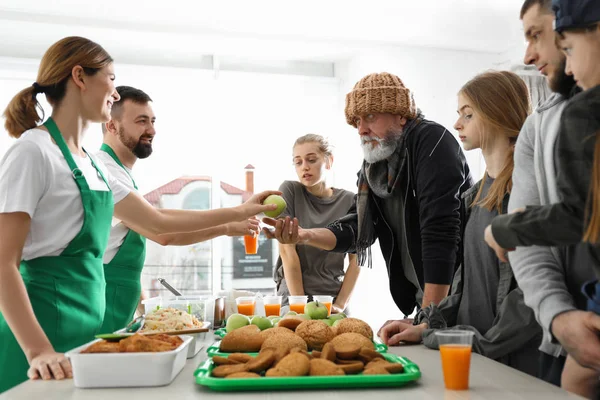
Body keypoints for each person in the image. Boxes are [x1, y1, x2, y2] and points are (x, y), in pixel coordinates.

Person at [0, 36, 278, 392]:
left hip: (86, 333)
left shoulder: (89, 164)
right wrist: (37, 350)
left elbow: (157, 223)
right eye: (111, 78)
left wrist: (239, 214)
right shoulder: (32, 152)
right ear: (79, 77)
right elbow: (5, 261)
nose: (114, 93)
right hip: (40, 334)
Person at [264, 72, 473, 320]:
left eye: (370, 117)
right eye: (357, 121)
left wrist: (430, 317)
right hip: (427, 299)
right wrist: (304, 235)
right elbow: (359, 229)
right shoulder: (374, 165)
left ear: (401, 114)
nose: (362, 129)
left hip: (459, 295)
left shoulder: (432, 141)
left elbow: (441, 230)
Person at [378, 71, 542, 376]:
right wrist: (424, 323)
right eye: (458, 114)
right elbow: (464, 289)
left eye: (468, 114)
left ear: (497, 113)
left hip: (515, 366)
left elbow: (529, 301)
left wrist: (444, 337)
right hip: (476, 358)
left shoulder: (528, 192)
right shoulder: (474, 195)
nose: (456, 124)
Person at [484, 0, 600, 396]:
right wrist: (559, 318)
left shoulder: (583, 113)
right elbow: (536, 236)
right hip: (567, 337)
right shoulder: (539, 126)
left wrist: (504, 229)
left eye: (539, 35)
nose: (528, 54)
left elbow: (574, 214)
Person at [97, 85, 260, 333]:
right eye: (141, 121)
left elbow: (161, 236)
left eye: (152, 121)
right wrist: (238, 213)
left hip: (118, 308)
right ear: (111, 126)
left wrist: (227, 228)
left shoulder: (122, 175)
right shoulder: (103, 170)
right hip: (102, 304)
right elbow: (161, 224)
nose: (151, 130)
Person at [275, 134, 358, 312]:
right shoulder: (289, 191)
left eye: (311, 160)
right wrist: (299, 307)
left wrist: (340, 305)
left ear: (329, 161)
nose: (304, 167)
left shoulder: (351, 201)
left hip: (333, 299)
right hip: (293, 299)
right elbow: (287, 251)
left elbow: (358, 260)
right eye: (298, 162)